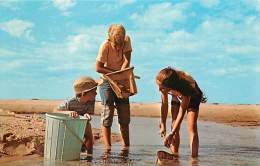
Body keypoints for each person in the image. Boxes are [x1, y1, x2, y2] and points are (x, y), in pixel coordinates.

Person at [96, 24, 132, 156]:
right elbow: (98, 68)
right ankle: (108, 149)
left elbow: (127, 60)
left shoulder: (127, 41)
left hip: (121, 79)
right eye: (116, 45)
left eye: (120, 44)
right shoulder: (105, 46)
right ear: (110, 39)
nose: (118, 47)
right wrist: (114, 73)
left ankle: (126, 148)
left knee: (124, 115)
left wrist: (121, 73)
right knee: (108, 113)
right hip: (106, 81)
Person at [156, 67, 207, 158]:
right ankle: (175, 155)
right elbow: (164, 104)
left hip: (193, 95)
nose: (159, 89)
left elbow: (181, 113)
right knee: (174, 124)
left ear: (169, 86)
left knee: (192, 127)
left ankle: (194, 159)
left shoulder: (186, 89)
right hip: (176, 95)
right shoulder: (165, 84)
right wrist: (163, 124)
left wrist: (171, 133)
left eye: (162, 88)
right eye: (158, 86)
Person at [54, 76, 98, 159]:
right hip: (69, 124)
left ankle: (89, 156)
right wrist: (68, 112)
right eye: (94, 91)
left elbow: (88, 113)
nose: (96, 93)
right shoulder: (70, 101)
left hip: (82, 123)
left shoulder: (91, 101)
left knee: (89, 133)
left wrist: (87, 115)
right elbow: (55, 110)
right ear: (84, 93)